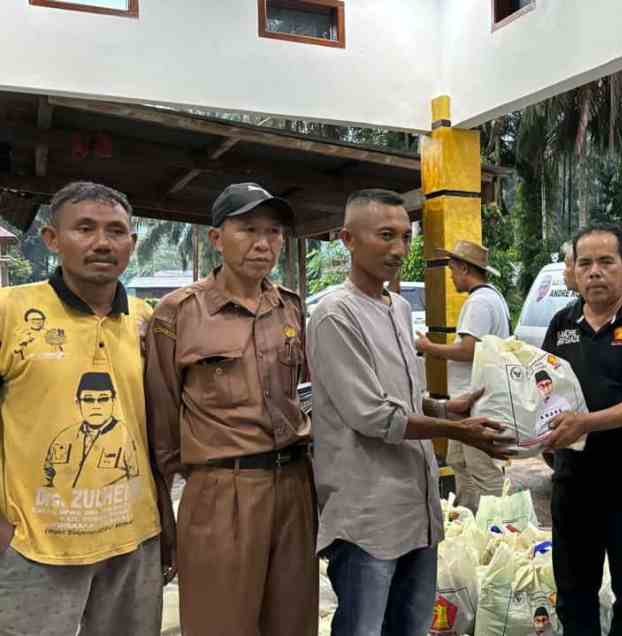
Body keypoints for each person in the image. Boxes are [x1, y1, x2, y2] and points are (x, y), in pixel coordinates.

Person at [307, 188, 511, 636]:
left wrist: (445, 407)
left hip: (417, 509)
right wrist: (458, 432)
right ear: (348, 239)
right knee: (364, 627)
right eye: (385, 235)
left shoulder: (397, 307)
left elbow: (403, 394)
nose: (399, 250)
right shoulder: (334, 315)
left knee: (413, 626)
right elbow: (374, 416)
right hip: (369, 514)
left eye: (404, 236)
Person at [145, 182, 318, 636]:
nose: (264, 243)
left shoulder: (291, 310)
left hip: (294, 485)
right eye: (247, 229)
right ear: (216, 239)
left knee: (293, 621)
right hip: (222, 491)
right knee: (219, 624)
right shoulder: (178, 314)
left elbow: (309, 396)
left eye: (274, 232)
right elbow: (161, 431)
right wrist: (166, 519)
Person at [0, 181, 165, 636]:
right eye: (85, 228)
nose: (102, 243)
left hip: (133, 538)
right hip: (35, 541)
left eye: (116, 231)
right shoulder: (11, 311)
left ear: (131, 243)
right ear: (52, 239)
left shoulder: (147, 321)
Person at [540, 223, 622, 635]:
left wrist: (583, 423)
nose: (595, 271)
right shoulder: (561, 323)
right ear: (573, 271)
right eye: (585, 263)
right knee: (573, 588)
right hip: (572, 480)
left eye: (605, 262)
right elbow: (541, 388)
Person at [415, 239, 511, 510]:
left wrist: (428, 347)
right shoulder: (492, 297)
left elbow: (469, 349)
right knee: (460, 463)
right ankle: (470, 525)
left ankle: (494, 533)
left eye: (452, 270)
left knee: (483, 471)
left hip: (476, 400)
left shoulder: (479, 302)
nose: (452, 277)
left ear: (463, 268)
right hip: (472, 400)